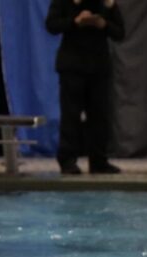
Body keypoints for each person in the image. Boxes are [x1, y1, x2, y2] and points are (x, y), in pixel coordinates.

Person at [45, 0, 125, 176]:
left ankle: (99, 161)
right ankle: (67, 161)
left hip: (98, 66)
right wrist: (75, 20)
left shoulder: (104, 3)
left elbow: (120, 32)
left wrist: (104, 23)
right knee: (70, 116)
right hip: (72, 65)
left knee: (100, 116)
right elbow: (51, 25)